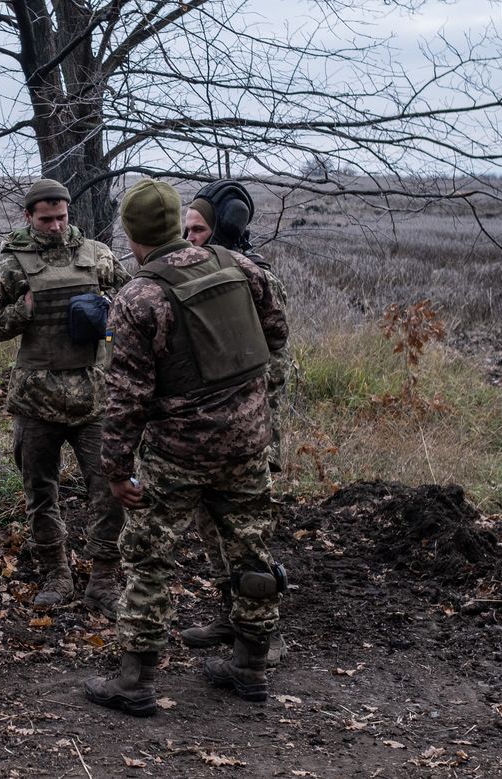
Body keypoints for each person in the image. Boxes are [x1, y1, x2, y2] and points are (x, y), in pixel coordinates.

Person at [84, 178, 289, 716]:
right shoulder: (239, 267)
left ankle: (135, 682)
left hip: (177, 453)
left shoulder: (137, 297)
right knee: (251, 552)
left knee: (150, 559)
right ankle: (250, 669)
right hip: (247, 444)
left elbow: (126, 397)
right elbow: (275, 335)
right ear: (179, 222)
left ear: (130, 233)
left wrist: (116, 469)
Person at [0, 179, 130, 616]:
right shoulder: (12, 264)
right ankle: (56, 573)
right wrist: (24, 311)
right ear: (28, 218)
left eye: (62, 217)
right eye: (46, 219)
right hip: (37, 399)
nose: (56, 226)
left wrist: (108, 307)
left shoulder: (96, 255)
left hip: (94, 398)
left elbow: (136, 301)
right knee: (40, 490)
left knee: (109, 489)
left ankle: (102, 578)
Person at [177, 181, 292, 664]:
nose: (188, 238)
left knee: (248, 538)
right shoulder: (198, 273)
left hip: (245, 435)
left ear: (224, 229)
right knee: (211, 529)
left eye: (198, 230)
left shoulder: (254, 277)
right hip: (204, 433)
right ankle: (230, 617)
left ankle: (266, 638)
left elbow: (277, 363)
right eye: (184, 228)